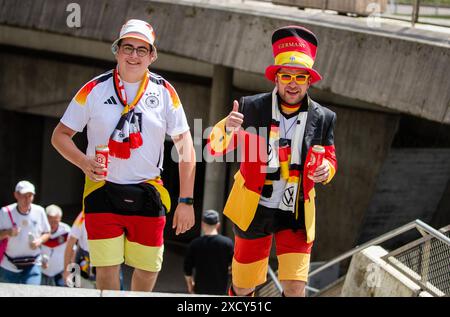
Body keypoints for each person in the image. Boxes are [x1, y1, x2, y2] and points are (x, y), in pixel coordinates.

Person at [51, 19, 196, 291]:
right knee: (106, 270)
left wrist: (186, 200)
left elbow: (185, 144)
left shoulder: (164, 92)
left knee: (148, 268)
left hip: (148, 189)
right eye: (128, 47)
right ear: (116, 50)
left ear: (152, 56)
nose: (134, 55)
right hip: (101, 189)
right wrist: (84, 161)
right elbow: (59, 135)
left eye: (142, 50)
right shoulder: (93, 89)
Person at [208, 26, 337, 297]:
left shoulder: (324, 117)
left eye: (300, 77)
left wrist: (327, 170)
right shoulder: (250, 107)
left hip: (296, 212)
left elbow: (329, 158)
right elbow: (214, 148)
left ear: (308, 81)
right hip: (254, 209)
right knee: (244, 286)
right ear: (276, 79)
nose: (293, 83)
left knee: (295, 287)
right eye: (286, 76)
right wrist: (227, 129)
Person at [0, 181, 51, 285]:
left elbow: (47, 232)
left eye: (30, 196)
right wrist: (8, 232)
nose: (27, 199)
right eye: (24, 195)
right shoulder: (5, 212)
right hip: (9, 265)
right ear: (16, 195)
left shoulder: (39, 211)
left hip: (33, 263)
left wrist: (39, 241)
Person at [183, 210, 234, 295]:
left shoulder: (194, 243)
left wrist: (190, 285)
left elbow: (187, 269)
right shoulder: (227, 243)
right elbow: (235, 265)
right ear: (218, 225)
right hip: (221, 289)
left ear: (203, 224)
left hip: (200, 289)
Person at [63, 212, 96, 289]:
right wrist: (67, 271)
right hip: (85, 264)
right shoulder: (83, 215)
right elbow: (71, 242)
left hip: (108, 264)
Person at [40, 204, 71, 286]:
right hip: (40, 271)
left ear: (60, 219)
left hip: (60, 272)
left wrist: (67, 271)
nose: (52, 225)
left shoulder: (66, 231)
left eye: (55, 222)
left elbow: (72, 251)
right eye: (50, 221)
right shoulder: (38, 229)